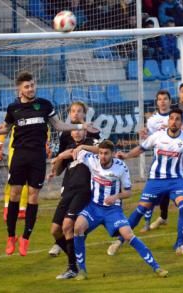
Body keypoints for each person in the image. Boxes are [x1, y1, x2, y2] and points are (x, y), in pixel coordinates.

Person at [0, 71, 97, 256]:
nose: (31, 89)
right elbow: (4, 128)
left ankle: (26, 238)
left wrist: (81, 126)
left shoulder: (44, 105)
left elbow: (58, 125)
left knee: (34, 196)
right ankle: (11, 236)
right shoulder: (13, 108)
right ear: (19, 89)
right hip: (19, 155)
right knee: (14, 193)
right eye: (27, 86)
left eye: (33, 85)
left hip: (37, 157)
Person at [72, 140, 168, 280]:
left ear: (112, 154)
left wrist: (116, 196)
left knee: (128, 235)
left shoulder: (121, 167)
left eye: (106, 153)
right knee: (77, 227)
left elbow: (128, 192)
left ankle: (156, 267)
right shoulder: (91, 159)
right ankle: (82, 270)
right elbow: (77, 152)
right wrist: (80, 147)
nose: (102, 156)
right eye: (100, 153)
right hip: (94, 207)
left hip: (113, 210)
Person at [107, 109, 183, 257]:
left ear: (181, 123)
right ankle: (119, 241)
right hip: (156, 180)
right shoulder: (157, 136)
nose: (174, 121)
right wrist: (127, 155)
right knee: (141, 209)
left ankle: (180, 245)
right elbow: (142, 148)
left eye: (177, 119)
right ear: (168, 121)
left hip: (177, 181)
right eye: (172, 119)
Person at [48, 101, 100, 257]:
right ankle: (66, 248)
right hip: (69, 183)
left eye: (79, 111)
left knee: (72, 223)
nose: (75, 113)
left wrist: (83, 130)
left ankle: (74, 259)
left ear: (85, 113)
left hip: (84, 186)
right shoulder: (65, 134)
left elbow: (101, 148)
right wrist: (58, 160)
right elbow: (61, 163)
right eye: (73, 111)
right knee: (58, 228)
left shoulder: (91, 133)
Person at [48, 127, 98, 279]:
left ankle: (72, 268)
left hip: (83, 191)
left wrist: (82, 147)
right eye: (74, 130)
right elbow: (56, 172)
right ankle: (75, 259)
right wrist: (60, 158)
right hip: (68, 191)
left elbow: (102, 149)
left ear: (85, 132)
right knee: (55, 230)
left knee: (67, 226)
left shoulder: (91, 143)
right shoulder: (68, 148)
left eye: (80, 130)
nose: (77, 132)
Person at [140, 89, 183, 232]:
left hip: (176, 161)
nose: (162, 101)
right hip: (159, 161)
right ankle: (147, 222)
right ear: (156, 102)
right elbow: (149, 138)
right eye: (160, 99)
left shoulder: (177, 116)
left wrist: (171, 127)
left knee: (178, 193)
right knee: (151, 194)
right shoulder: (152, 120)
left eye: (165, 99)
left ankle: (182, 218)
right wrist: (144, 134)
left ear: (170, 101)